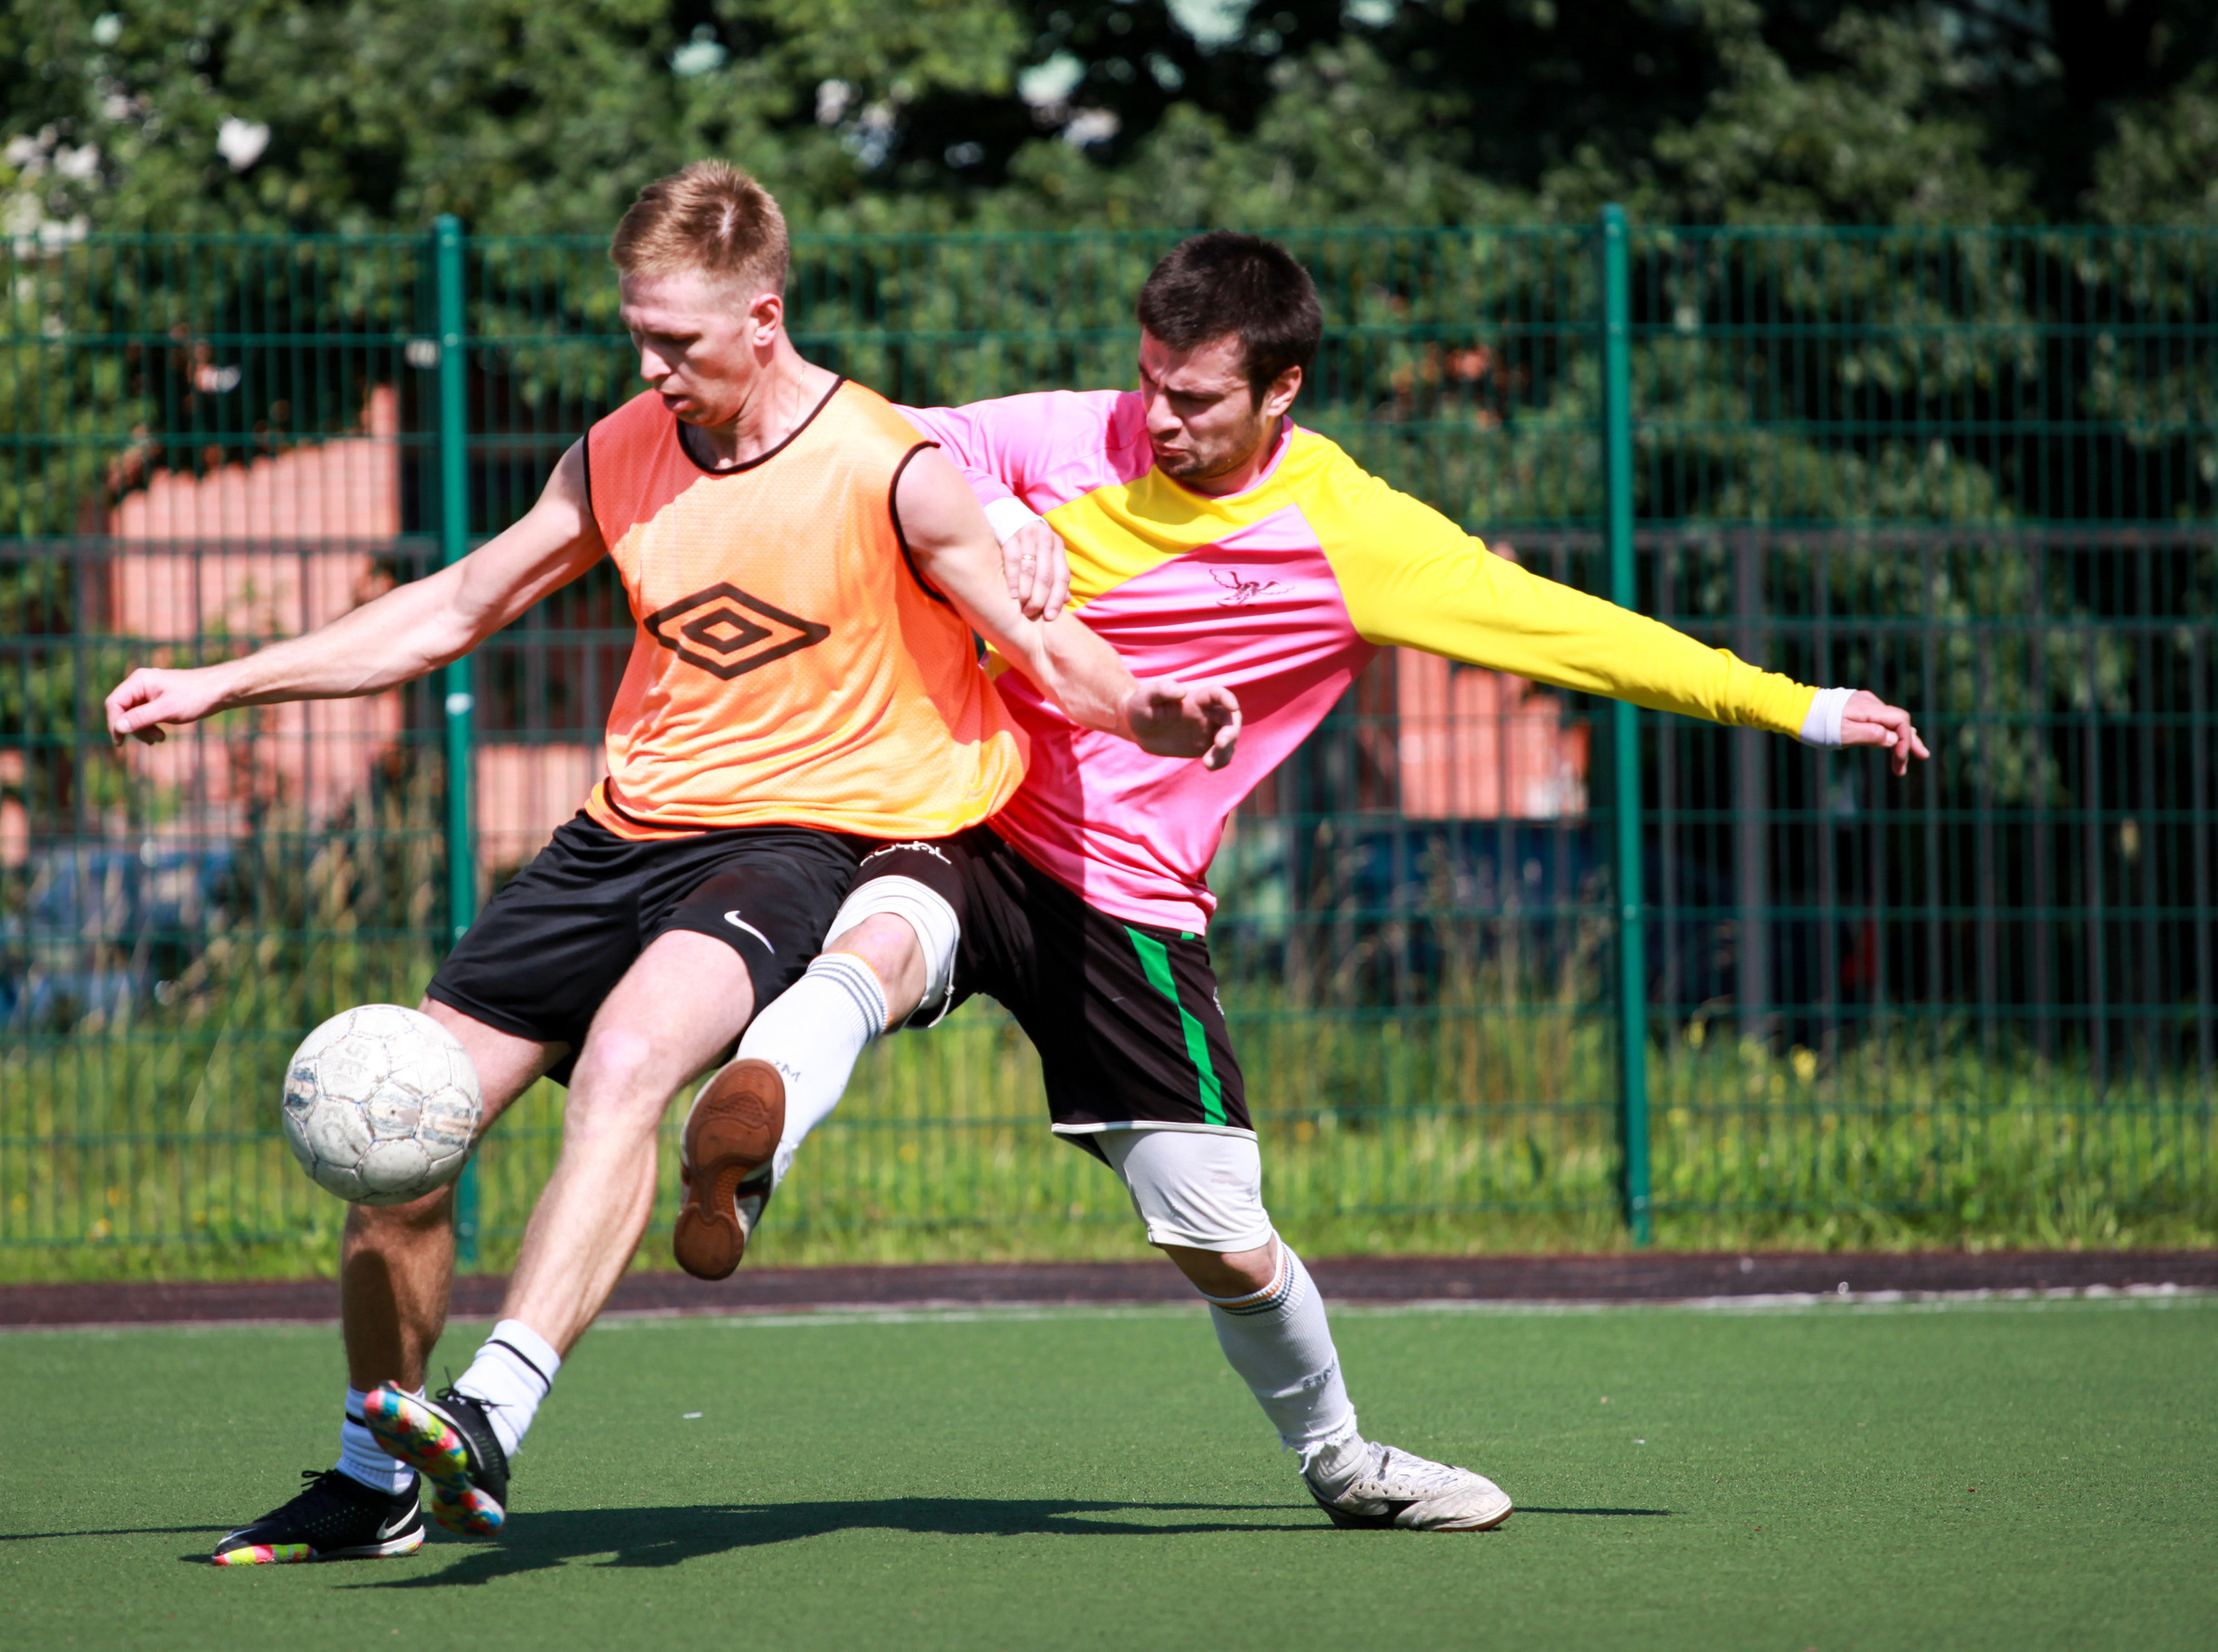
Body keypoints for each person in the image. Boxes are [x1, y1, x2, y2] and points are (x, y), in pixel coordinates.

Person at [669, 231, 1931, 1534]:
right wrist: (991, 514)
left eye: (1195, 397)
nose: (1154, 417)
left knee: (1219, 1234)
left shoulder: (1352, 537)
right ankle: (750, 1138)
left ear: (1284, 393)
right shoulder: (1073, 431)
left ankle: (1343, 1463)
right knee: (878, 942)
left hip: (1132, 900)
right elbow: (881, 434)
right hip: (977, 806)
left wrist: (1806, 707)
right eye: (1148, 378)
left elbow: (1580, 636)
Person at [104, 164, 1237, 1565]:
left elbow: (1043, 641)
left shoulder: (888, 469)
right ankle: (370, 1478)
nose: (650, 366)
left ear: (764, 319)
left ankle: (494, 1409)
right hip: (613, 838)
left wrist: (1150, 710)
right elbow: (456, 606)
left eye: (678, 343)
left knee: (639, 1058)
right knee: (404, 1129)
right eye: (636, 333)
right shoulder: (620, 451)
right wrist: (225, 683)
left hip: (797, 837)